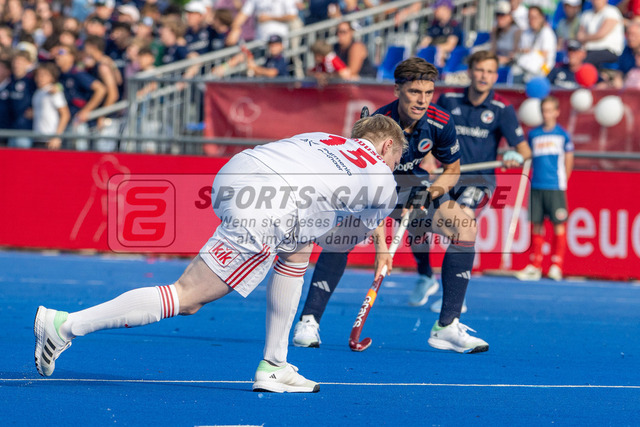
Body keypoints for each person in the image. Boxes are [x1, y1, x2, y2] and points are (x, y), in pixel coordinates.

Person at [34, 115, 406, 393]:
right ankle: (65, 325)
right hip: (272, 204)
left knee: (297, 248)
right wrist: (380, 245)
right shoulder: (382, 178)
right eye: (394, 161)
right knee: (188, 297)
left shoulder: (323, 138)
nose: (392, 168)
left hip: (238, 173)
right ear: (387, 146)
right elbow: (345, 237)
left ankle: (275, 365)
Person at [294, 57, 490, 355]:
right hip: (370, 189)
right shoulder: (378, 126)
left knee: (465, 227)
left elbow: (452, 169)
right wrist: (381, 249)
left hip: (415, 188)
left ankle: (447, 327)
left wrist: (431, 193)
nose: (422, 100)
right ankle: (309, 321)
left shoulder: (440, 121)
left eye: (428, 93)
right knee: (339, 240)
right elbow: (369, 191)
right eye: (414, 92)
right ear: (397, 90)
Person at [433, 49, 531, 312]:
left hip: (479, 181)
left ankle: (456, 298)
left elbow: (524, 151)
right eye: (479, 70)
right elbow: (431, 134)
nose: (484, 76)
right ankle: (427, 279)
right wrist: (429, 158)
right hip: (447, 178)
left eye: (489, 71)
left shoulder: (501, 108)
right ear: (470, 72)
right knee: (426, 227)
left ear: (496, 76)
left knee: (463, 220)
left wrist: (513, 156)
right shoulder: (449, 99)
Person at [515, 96, 574, 281]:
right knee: (537, 224)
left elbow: (569, 160)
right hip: (536, 185)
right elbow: (526, 155)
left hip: (555, 186)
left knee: (558, 224)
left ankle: (557, 265)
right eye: (543, 111)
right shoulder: (533, 134)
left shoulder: (563, 135)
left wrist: (563, 181)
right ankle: (535, 265)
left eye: (549, 111)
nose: (546, 114)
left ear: (556, 112)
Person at [512, 6, 557, 83]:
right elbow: (519, 50)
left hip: (542, 71)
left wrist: (530, 51)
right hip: (524, 68)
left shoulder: (547, 33)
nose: (532, 20)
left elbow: (545, 56)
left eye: (535, 17)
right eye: (530, 17)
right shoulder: (526, 33)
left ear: (541, 18)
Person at [32, 62, 70, 150]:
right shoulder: (37, 93)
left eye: (44, 75)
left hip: (51, 140)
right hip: (37, 138)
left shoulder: (54, 92)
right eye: (38, 75)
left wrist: (57, 137)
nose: (40, 78)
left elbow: (65, 114)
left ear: (52, 77)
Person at [576, 0, 625, 68]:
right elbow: (579, 35)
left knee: (582, 62)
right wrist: (584, 37)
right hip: (588, 50)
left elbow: (601, 34)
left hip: (608, 50)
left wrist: (584, 37)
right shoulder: (586, 14)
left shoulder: (612, 12)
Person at [417, 0, 463, 69]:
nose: (434, 11)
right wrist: (420, 50)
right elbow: (425, 42)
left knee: (440, 52)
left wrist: (437, 49)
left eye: (437, 8)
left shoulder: (454, 25)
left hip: (449, 58)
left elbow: (450, 45)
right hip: (434, 55)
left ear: (446, 9)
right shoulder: (434, 25)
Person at [490, 0, 522, 67]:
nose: (499, 18)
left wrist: (504, 59)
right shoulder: (495, 31)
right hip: (498, 62)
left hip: (512, 65)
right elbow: (493, 50)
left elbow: (516, 54)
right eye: (497, 15)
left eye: (502, 15)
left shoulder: (517, 31)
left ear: (510, 17)